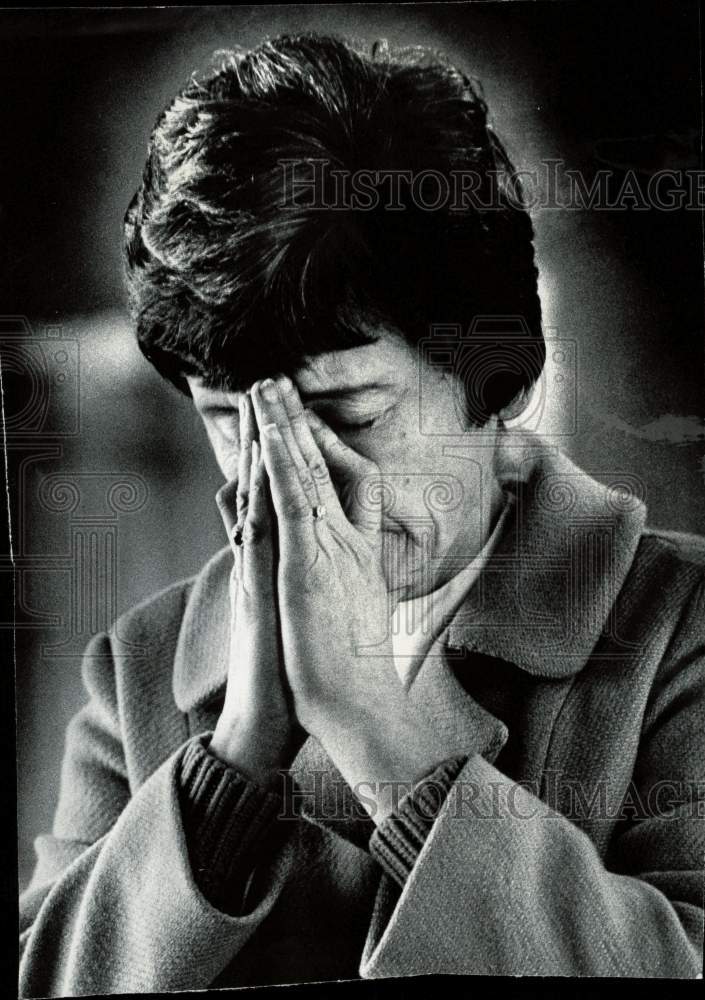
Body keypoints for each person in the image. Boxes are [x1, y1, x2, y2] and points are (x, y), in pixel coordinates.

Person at [19, 33, 704, 995]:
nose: (285, 479)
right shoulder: (137, 670)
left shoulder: (681, 628)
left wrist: (382, 730)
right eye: (232, 420)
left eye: (348, 415)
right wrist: (235, 760)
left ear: (501, 378)